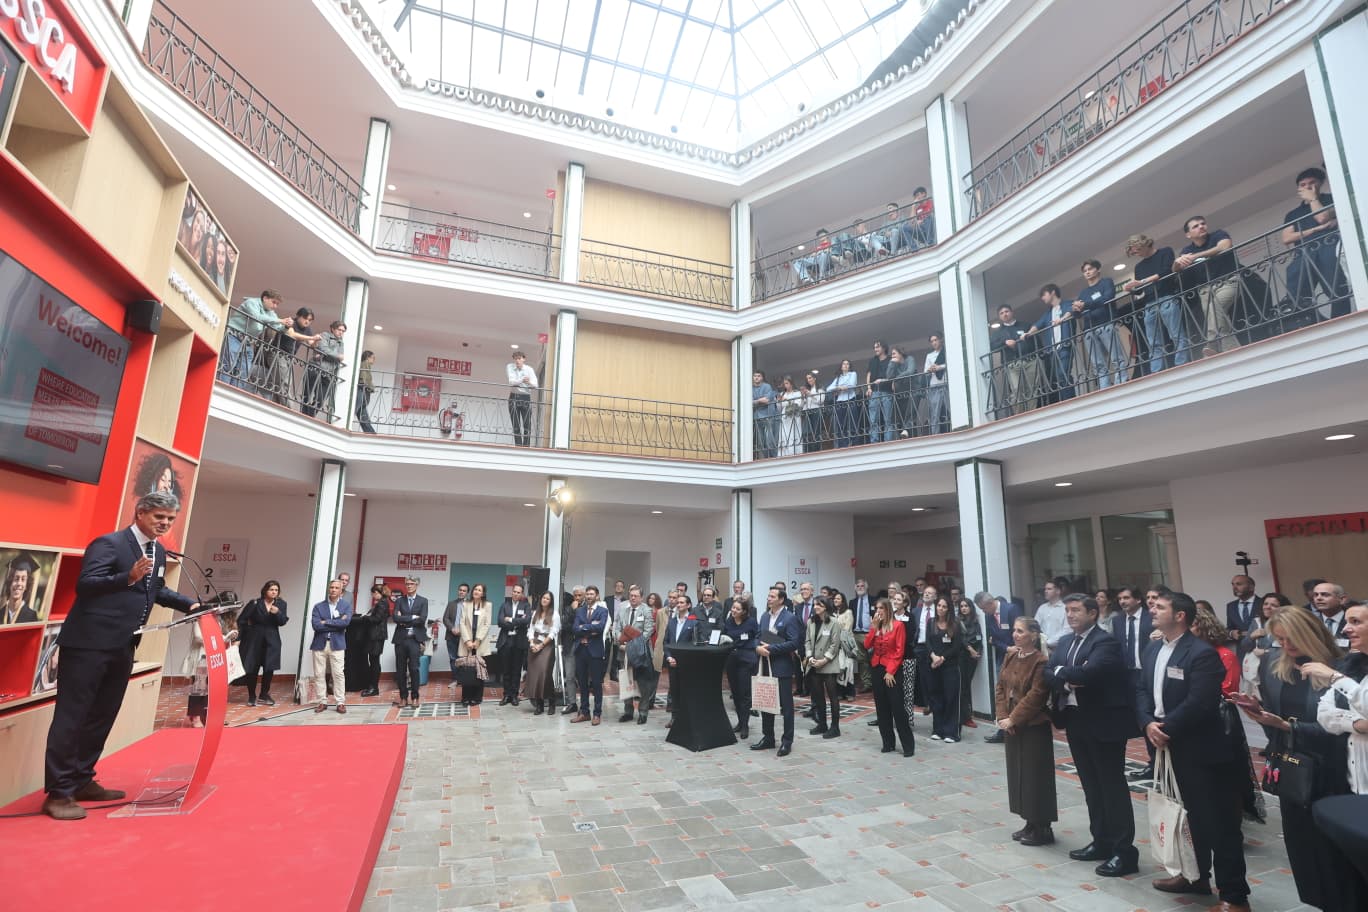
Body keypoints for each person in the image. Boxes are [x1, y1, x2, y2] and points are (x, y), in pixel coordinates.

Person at [1138, 591, 1251, 909]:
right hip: (1164, 744)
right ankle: (1194, 875)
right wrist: (1147, 723)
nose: (1152, 609)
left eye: (1160, 607)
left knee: (1219, 822)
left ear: (1180, 616)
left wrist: (1165, 728)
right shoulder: (1152, 649)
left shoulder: (1201, 654)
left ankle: (1234, 896)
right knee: (1186, 817)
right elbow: (1141, 689)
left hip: (1201, 750)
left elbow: (1200, 702)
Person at [1233, 606, 1349, 911]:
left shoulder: (1340, 668)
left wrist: (1288, 727)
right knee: (1303, 847)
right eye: (1280, 640)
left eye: (1291, 639)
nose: (1286, 646)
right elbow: (1276, 720)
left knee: (1336, 848)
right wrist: (1259, 713)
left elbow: (1345, 728)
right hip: (1294, 770)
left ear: (1310, 632)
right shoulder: (1275, 665)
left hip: (1335, 770)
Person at [1044, 593, 1138, 877]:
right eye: (1067, 610)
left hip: (1104, 723)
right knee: (1091, 786)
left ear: (1093, 613)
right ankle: (1101, 841)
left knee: (1111, 787)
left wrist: (1066, 673)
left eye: (1076, 610)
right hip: (1075, 720)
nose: (1070, 615)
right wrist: (1067, 676)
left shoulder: (1105, 642)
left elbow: (1090, 674)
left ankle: (1124, 852)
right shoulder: (1065, 642)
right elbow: (1047, 672)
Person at [995, 617, 1056, 846]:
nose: (1015, 634)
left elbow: (1036, 695)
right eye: (1014, 630)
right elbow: (1001, 686)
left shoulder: (1040, 661)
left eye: (1020, 631)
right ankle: (1029, 821)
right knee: (1018, 774)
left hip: (1033, 725)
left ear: (1033, 634)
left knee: (1035, 777)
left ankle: (1042, 826)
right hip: (1011, 725)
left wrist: (1014, 719)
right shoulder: (1011, 655)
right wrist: (1003, 716)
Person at [1281, 166, 1349, 319]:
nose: (1307, 187)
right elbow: (1287, 238)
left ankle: (1342, 319)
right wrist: (1315, 230)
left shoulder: (1332, 199)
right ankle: (1309, 321)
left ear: (1320, 183)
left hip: (1329, 248)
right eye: (1303, 185)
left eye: (1312, 183)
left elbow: (1322, 217)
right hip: (1304, 253)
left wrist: (1313, 199)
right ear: (1298, 189)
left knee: (1336, 288)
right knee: (1297, 292)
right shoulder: (1293, 214)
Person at [1173, 215, 1240, 356]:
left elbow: (1225, 246)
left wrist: (1196, 256)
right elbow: (1176, 269)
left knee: (1215, 308)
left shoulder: (1218, 235)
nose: (1201, 227)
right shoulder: (1187, 250)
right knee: (1217, 317)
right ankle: (1230, 348)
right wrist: (1177, 262)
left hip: (1228, 282)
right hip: (1205, 291)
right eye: (1195, 226)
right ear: (1188, 234)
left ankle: (1213, 343)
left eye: (1202, 224)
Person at [1122, 234, 1189, 374]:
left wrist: (1142, 282)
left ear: (1145, 244)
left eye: (1137, 250)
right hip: (1149, 303)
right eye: (1134, 252)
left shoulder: (1165, 252)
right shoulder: (1139, 266)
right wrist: (1131, 288)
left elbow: (1166, 271)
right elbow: (1140, 290)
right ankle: (1156, 370)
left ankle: (1182, 363)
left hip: (1167, 296)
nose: (1137, 254)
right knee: (1153, 341)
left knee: (1176, 334)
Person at [752, 587, 802, 756]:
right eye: (768, 596)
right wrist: (757, 648)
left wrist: (771, 649)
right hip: (765, 666)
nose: (769, 598)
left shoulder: (790, 618)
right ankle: (768, 738)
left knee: (786, 707)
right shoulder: (765, 616)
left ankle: (787, 741)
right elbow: (757, 636)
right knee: (766, 703)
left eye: (772, 596)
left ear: (781, 600)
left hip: (782, 667)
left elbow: (794, 642)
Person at [865, 598, 914, 756]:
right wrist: (873, 628)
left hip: (892, 669)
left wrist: (890, 671)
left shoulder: (898, 625)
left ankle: (908, 745)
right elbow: (866, 645)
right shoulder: (876, 626)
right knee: (881, 708)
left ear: (888, 610)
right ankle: (888, 743)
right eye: (876, 608)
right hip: (876, 668)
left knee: (897, 708)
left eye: (881, 608)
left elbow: (899, 651)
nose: (878, 611)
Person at [1072, 259, 1125, 389]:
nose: (1087, 272)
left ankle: (1122, 382)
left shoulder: (1106, 282)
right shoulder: (1083, 293)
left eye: (1090, 269)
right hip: (1089, 329)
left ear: (1098, 269)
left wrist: (1085, 305)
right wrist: (1076, 309)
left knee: (1116, 357)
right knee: (1098, 363)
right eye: (1085, 271)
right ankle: (1104, 386)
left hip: (1106, 323)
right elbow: (1077, 314)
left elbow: (1107, 297)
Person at [237, 579, 289, 706]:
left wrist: (277, 613)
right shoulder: (255, 603)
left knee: (269, 668)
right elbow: (241, 620)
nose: (274, 592)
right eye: (271, 589)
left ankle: (264, 694)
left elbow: (282, 622)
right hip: (254, 639)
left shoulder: (281, 604)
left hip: (272, 639)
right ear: (265, 590)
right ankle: (251, 696)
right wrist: (244, 635)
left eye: (276, 590)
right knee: (252, 668)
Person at [184, 607, 237, 726]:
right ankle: (196, 718)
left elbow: (218, 635)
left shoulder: (216, 620)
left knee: (213, 689)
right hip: (201, 657)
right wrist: (219, 639)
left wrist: (227, 637)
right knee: (199, 688)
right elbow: (198, 637)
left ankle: (212, 716)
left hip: (214, 656)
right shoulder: (199, 620)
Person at [612, 584, 657, 724]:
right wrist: (619, 640)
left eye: (636, 596)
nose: (632, 598)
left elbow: (648, 631)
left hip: (640, 653)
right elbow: (617, 627)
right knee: (626, 682)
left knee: (643, 684)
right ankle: (628, 712)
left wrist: (631, 646)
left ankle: (643, 712)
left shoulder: (646, 610)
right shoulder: (623, 609)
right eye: (631, 595)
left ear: (641, 598)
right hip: (623, 652)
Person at [804, 596, 847, 739]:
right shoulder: (811, 621)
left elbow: (835, 644)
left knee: (833, 697)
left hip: (828, 663)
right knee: (818, 697)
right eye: (815, 604)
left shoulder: (834, 622)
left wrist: (824, 660)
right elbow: (807, 641)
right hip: (814, 663)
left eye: (819, 605)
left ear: (826, 607)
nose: (816, 607)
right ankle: (822, 724)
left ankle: (835, 727)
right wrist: (810, 657)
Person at [309, 579, 351, 713]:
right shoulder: (318, 606)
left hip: (337, 644)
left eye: (336, 588)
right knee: (319, 674)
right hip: (319, 644)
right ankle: (322, 701)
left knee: (338, 674)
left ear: (341, 590)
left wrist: (325, 622)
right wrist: (336, 622)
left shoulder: (346, 606)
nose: (333, 590)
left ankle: (340, 702)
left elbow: (345, 624)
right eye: (331, 587)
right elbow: (316, 625)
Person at [927, 597, 964, 742]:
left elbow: (957, 646)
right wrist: (933, 656)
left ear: (948, 609)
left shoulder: (955, 624)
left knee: (951, 698)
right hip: (934, 666)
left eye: (944, 606)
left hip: (950, 666)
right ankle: (938, 730)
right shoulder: (931, 623)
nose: (940, 608)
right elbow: (928, 642)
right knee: (936, 698)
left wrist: (942, 658)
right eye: (939, 605)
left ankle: (951, 732)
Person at [571, 591, 609, 724]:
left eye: (591, 594)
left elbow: (600, 627)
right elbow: (575, 628)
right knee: (582, 683)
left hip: (595, 651)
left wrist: (584, 627)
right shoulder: (579, 611)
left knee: (597, 684)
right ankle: (584, 712)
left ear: (597, 596)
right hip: (581, 650)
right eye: (587, 594)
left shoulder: (603, 611)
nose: (588, 596)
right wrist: (591, 628)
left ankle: (597, 714)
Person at [724, 593, 759, 738]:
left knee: (745, 694)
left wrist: (751, 646)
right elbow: (724, 637)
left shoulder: (751, 622)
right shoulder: (729, 622)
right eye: (733, 608)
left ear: (744, 611)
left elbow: (757, 637)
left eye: (737, 609)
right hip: (732, 660)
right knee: (736, 693)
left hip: (747, 661)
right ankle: (740, 722)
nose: (734, 611)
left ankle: (745, 725)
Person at [390, 575, 428, 708]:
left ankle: (415, 697)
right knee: (400, 670)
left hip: (414, 640)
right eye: (407, 584)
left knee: (414, 669)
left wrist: (404, 619)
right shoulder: (400, 600)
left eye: (412, 584)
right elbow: (395, 618)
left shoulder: (423, 601)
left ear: (417, 585)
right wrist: (412, 617)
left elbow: (422, 619)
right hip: (401, 639)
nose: (409, 586)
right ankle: (403, 697)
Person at [457, 583, 495, 706]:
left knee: (479, 670)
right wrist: (467, 640)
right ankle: (465, 697)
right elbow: (462, 623)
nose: (476, 591)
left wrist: (478, 640)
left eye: (479, 590)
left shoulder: (488, 605)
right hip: (466, 642)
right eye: (475, 589)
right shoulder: (466, 604)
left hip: (480, 642)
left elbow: (487, 624)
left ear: (483, 593)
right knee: (467, 669)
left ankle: (477, 697)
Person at [495, 584, 531, 706]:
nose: (516, 594)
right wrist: (516, 623)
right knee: (506, 670)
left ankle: (514, 695)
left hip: (519, 641)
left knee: (516, 670)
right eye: (514, 591)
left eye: (518, 592)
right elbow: (500, 622)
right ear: (512, 592)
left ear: (522, 594)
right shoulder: (504, 605)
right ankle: (506, 695)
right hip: (506, 640)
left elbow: (527, 620)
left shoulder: (526, 606)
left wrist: (510, 620)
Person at [302, 320, 346, 420]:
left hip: (328, 373)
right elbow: (323, 348)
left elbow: (340, 357)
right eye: (339, 330)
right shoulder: (325, 335)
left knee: (321, 399)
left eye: (343, 331)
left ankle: (309, 416)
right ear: (333, 329)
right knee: (307, 393)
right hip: (315, 367)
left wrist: (331, 355)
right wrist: (336, 356)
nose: (341, 332)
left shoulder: (341, 343)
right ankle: (304, 415)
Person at [525, 591, 559, 716]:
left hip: (546, 645)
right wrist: (531, 643)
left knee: (545, 674)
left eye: (547, 598)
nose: (545, 600)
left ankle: (551, 702)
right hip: (534, 644)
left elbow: (553, 632)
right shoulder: (536, 613)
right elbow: (530, 629)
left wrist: (541, 645)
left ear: (551, 601)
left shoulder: (554, 614)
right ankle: (539, 705)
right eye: (543, 597)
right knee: (535, 675)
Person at [358, 584, 389, 697]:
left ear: (378, 593)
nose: (373, 595)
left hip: (376, 636)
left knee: (374, 662)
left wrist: (365, 618)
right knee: (374, 661)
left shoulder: (382, 604)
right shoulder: (383, 603)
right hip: (376, 636)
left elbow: (376, 619)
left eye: (374, 593)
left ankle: (374, 688)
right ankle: (372, 686)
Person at [957, 597, 982, 728]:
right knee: (963, 686)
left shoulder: (976, 621)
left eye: (966, 606)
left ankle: (966, 715)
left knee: (967, 685)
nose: (964, 608)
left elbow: (979, 638)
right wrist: (971, 649)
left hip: (973, 657)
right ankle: (965, 717)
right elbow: (961, 639)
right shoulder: (958, 621)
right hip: (963, 656)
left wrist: (978, 652)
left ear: (971, 607)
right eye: (961, 606)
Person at [557, 588, 583, 714]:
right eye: (575, 595)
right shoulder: (568, 609)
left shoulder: (587, 609)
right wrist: (573, 611)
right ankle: (572, 703)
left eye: (580, 595)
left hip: (583, 645)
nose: (577, 598)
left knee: (583, 676)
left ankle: (584, 704)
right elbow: (564, 625)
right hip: (569, 645)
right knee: (569, 676)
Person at [865, 340, 895, 444]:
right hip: (874, 391)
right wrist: (869, 388)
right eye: (874, 347)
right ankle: (874, 441)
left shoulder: (890, 360)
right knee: (873, 419)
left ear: (884, 348)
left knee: (888, 418)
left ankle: (888, 441)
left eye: (877, 347)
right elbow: (869, 374)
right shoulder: (873, 361)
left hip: (886, 391)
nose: (875, 349)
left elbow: (893, 375)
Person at [506, 349, 538, 446]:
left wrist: (528, 382)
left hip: (525, 397)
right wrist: (522, 380)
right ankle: (518, 446)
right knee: (515, 424)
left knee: (527, 424)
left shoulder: (529, 369)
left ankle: (526, 446)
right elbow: (511, 382)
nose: (517, 361)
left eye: (519, 359)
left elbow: (535, 385)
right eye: (515, 359)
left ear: (524, 359)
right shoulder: (510, 367)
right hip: (514, 396)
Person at [825, 359, 860, 448]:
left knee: (853, 422)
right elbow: (828, 389)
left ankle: (854, 443)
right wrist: (839, 387)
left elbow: (852, 385)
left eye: (847, 364)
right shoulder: (838, 378)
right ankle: (843, 445)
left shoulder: (853, 374)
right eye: (844, 364)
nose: (845, 365)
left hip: (850, 399)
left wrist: (841, 387)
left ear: (849, 366)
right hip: (840, 401)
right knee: (841, 424)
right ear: (841, 367)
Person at [442, 582, 468, 692]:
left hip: (464, 637)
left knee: (463, 659)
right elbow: (445, 618)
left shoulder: (470, 605)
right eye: (460, 590)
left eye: (464, 591)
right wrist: (452, 628)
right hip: (451, 635)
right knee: (453, 658)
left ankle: (463, 679)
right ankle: (455, 679)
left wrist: (462, 631)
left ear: (467, 593)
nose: (461, 592)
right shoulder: (451, 604)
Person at [2, 553, 41, 624]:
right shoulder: (1, 613)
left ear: (26, 586)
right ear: (10, 583)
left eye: (23, 579)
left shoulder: (31, 616)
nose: (19, 583)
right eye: (16, 579)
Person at [923, 333, 948, 435]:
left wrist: (939, 367)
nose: (934, 342)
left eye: (936, 340)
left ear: (940, 340)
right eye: (932, 341)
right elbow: (925, 371)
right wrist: (930, 369)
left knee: (949, 410)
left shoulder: (946, 351)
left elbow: (951, 363)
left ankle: (952, 430)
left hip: (945, 383)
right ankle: (935, 434)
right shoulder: (929, 355)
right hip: (934, 385)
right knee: (935, 413)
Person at [751, 371, 777, 459]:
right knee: (761, 442)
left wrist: (756, 401)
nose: (756, 377)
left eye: (758, 376)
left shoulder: (767, 386)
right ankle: (767, 458)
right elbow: (749, 402)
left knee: (769, 440)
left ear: (762, 378)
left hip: (767, 416)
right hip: (757, 417)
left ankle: (773, 457)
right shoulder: (751, 388)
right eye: (755, 376)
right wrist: (759, 400)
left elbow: (767, 400)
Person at [777, 375, 803, 457]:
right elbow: (779, 408)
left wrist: (787, 400)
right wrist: (778, 401)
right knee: (784, 434)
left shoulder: (797, 393)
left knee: (793, 434)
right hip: (785, 417)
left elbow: (799, 405)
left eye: (787, 383)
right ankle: (784, 454)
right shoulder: (782, 394)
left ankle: (794, 452)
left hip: (793, 416)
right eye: (784, 383)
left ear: (791, 383)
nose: (785, 385)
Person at [800, 372, 825, 452]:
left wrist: (810, 394)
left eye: (810, 378)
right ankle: (808, 450)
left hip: (816, 411)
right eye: (807, 379)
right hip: (807, 412)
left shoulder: (820, 389)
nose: (808, 380)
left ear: (815, 378)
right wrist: (803, 396)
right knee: (807, 433)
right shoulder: (807, 390)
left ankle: (816, 450)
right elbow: (801, 405)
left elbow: (821, 400)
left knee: (816, 432)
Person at [355, 349, 377, 433]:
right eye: (373, 358)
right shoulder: (365, 363)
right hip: (363, 389)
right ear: (368, 357)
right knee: (358, 409)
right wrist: (363, 383)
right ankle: (371, 433)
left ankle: (370, 432)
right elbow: (363, 374)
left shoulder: (366, 364)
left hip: (364, 389)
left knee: (362, 413)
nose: (374, 360)